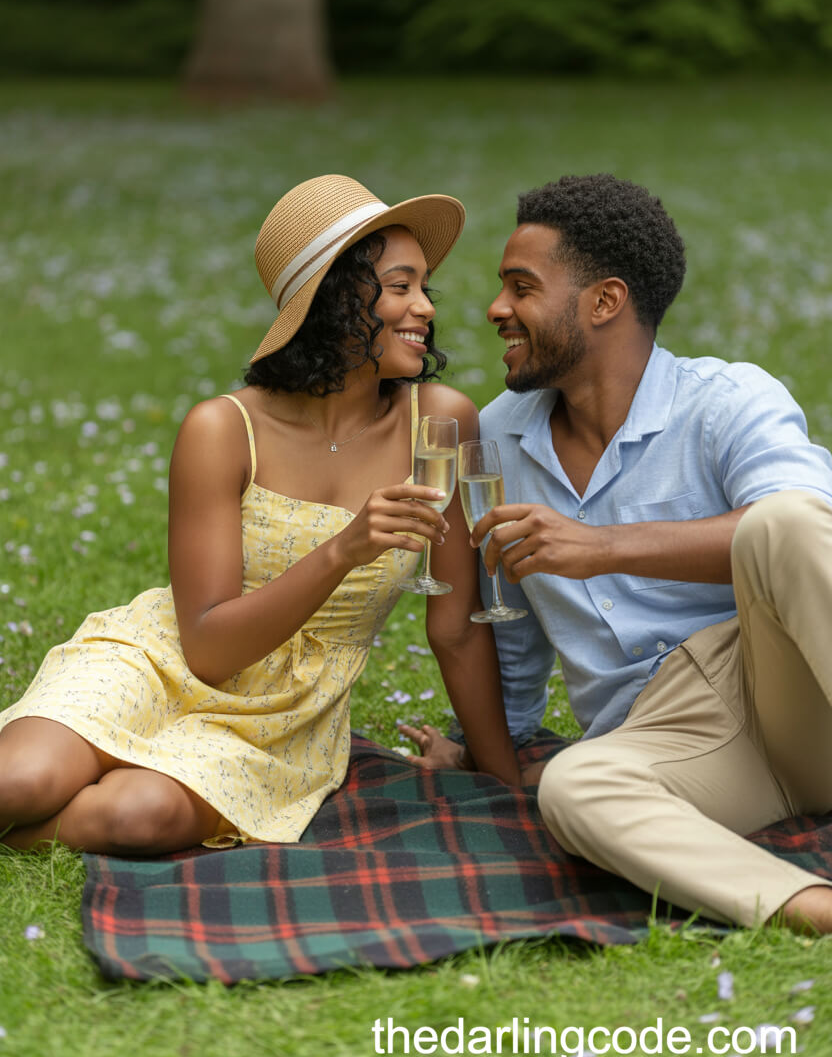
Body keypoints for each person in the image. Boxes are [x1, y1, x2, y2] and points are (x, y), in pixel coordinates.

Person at [0, 173, 520, 856]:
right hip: (164, 659)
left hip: (283, 720)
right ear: (335, 299)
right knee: (19, 781)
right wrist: (343, 550)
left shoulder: (440, 422)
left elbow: (454, 629)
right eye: (400, 287)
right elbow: (209, 651)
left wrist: (509, 786)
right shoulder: (222, 429)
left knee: (137, 817)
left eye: (425, 287)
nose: (425, 307)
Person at [410, 172, 832, 933]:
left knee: (788, 521)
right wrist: (482, 750)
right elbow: (510, 631)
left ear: (605, 302)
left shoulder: (726, 402)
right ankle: (809, 908)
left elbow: (806, 536)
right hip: (674, 742)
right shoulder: (495, 439)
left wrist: (601, 548)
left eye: (521, 287)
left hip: (788, 682)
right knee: (573, 787)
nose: (495, 310)